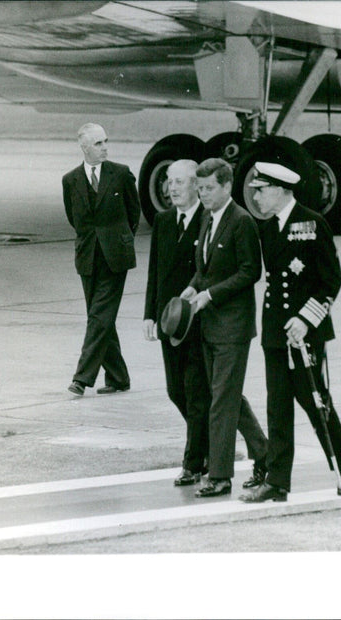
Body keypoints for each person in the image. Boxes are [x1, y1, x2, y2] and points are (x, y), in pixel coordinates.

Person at [240, 162, 341, 503]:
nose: (256, 196)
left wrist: (306, 319)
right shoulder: (268, 227)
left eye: (260, 190)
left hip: (305, 332)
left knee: (314, 400)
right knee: (277, 407)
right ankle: (277, 481)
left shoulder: (312, 223)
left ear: (280, 189)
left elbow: (330, 280)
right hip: (277, 332)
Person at [180, 158, 268, 498]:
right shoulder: (208, 217)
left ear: (227, 186)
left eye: (209, 188)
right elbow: (206, 266)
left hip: (232, 326)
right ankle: (264, 454)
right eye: (199, 189)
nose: (202, 195)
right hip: (210, 326)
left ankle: (219, 475)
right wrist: (193, 286)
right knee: (227, 396)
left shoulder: (241, 221)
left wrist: (210, 295)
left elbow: (250, 272)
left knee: (221, 400)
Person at [143, 160, 210, 486]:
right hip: (170, 323)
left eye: (179, 182)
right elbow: (156, 273)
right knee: (175, 390)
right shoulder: (164, 220)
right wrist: (149, 316)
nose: (171, 188)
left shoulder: (208, 221)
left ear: (196, 185)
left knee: (196, 393)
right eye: (169, 181)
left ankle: (193, 463)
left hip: (197, 323)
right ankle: (206, 443)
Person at [64, 123, 140, 397]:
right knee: (101, 318)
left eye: (106, 141)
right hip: (87, 257)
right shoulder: (70, 180)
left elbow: (134, 213)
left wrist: (119, 240)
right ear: (85, 148)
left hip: (115, 257)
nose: (105, 147)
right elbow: (74, 219)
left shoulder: (120, 174)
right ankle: (119, 377)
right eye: (98, 144)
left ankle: (82, 378)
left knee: (99, 317)